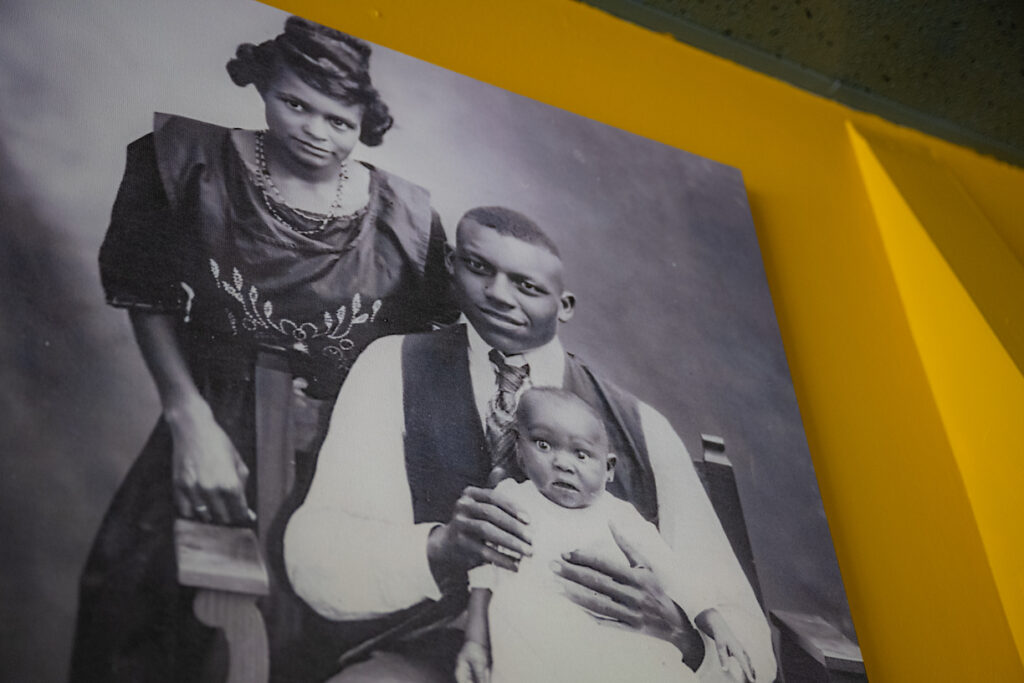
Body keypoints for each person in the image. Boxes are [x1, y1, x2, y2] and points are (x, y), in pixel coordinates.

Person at [71, 16, 456, 683]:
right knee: (142, 618)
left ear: (366, 122)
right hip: (214, 434)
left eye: (338, 119)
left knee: (311, 644)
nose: (313, 129)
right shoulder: (186, 161)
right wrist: (189, 421)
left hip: (343, 463)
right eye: (295, 104)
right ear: (262, 86)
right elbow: (148, 295)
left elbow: (432, 352)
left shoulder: (410, 219)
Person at [285, 206, 776, 682]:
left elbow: (750, 644)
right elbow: (317, 560)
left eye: (526, 285)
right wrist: (440, 547)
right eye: (479, 268)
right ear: (452, 267)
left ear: (563, 307)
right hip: (434, 656)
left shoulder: (641, 426)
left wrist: (681, 635)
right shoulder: (392, 366)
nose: (499, 295)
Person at [456, 386, 708, 683]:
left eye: (581, 454)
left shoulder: (618, 516)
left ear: (608, 468)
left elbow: (674, 573)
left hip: (610, 652)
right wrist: (476, 642)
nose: (563, 464)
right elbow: (484, 577)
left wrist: (711, 620)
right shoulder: (509, 499)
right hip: (528, 651)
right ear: (520, 452)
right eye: (544, 445)